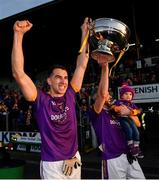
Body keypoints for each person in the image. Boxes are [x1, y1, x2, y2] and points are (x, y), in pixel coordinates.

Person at [11, 17, 90, 179]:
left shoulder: (70, 93)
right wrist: (18, 35)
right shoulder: (40, 99)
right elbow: (18, 73)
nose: (63, 81)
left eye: (66, 77)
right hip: (52, 165)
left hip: (74, 159)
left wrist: (85, 33)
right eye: (58, 77)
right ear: (49, 80)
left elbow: (82, 64)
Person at [89, 62, 145, 179]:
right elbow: (102, 94)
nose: (108, 96)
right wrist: (105, 67)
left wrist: (130, 113)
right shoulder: (96, 113)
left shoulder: (116, 109)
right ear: (96, 98)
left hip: (129, 154)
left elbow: (138, 124)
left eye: (109, 95)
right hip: (112, 158)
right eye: (106, 95)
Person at [111, 84, 141, 157]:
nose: (128, 96)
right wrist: (116, 108)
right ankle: (130, 145)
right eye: (126, 94)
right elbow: (113, 107)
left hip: (130, 119)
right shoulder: (119, 102)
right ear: (121, 95)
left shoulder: (131, 103)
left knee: (136, 131)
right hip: (122, 118)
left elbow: (138, 110)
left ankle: (136, 147)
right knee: (128, 130)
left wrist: (133, 112)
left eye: (130, 94)